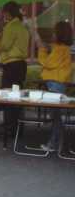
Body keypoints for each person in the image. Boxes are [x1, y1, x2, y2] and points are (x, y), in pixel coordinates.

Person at [35, 21, 73, 152]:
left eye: (54, 32)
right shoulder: (62, 49)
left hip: (55, 85)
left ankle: (53, 144)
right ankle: (58, 143)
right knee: (56, 116)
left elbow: (47, 62)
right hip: (56, 85)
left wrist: (41, 49)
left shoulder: (60, 49)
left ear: (59, 34)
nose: (52, 34)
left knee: (56, 117)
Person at [0, 1, 29, 131]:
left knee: (8, 95)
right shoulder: (22, 27)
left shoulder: (11, 27)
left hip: (12, 65)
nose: (3, 16)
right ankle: (16, 125)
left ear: (8, 13)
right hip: (21, 65)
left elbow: (4, 46)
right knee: (17, 95)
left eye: (4, 13)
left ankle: (10, 126)